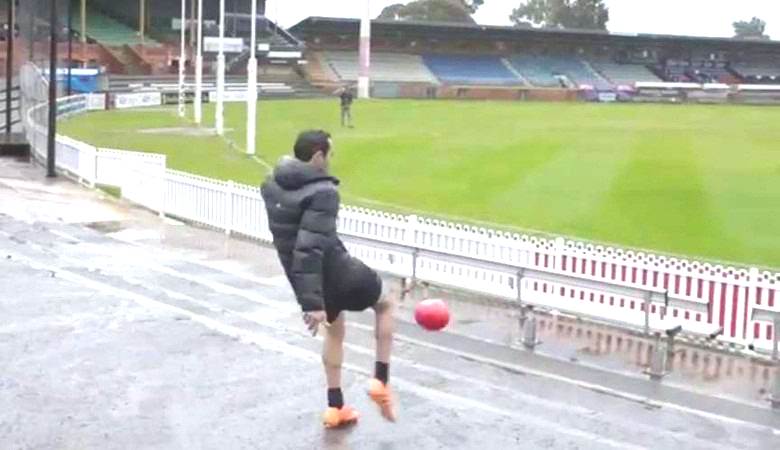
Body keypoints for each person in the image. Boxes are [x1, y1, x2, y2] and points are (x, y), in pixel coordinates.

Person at [260, 130, 396, 428]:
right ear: (317, 156)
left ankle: (336, 408)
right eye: (329, 154)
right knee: (385, 304)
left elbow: (291, 244)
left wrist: (310, 298)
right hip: (336, 270)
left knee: (334, 332)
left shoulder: (270, 185)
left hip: (308, 280)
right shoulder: (323, 192)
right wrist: (313, 303)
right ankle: (381, 381)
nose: (331, 160)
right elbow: (310, 248)